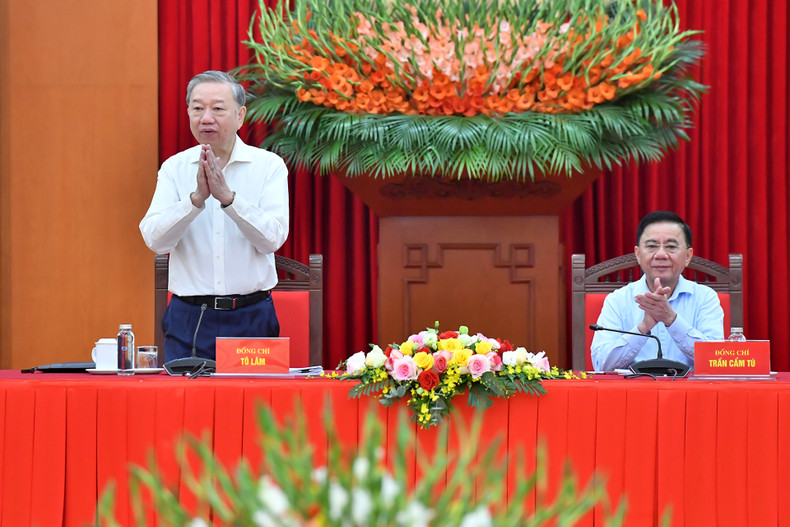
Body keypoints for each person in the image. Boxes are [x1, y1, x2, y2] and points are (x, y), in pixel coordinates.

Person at [140, 70, 289, 362]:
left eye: (218, 109)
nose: (206, 118)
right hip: (189, 318)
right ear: (188, 113)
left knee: (254, 393)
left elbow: (272, 240)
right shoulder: (174, 168)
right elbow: (155, 241)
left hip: (252, 316)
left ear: (240, 115)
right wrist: (195, 201)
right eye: (197, 108)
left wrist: (229, 200)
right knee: (184, 393)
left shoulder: (269, 166)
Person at [591, 211, 724, 372]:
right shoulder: (617, 300)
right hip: (633, 387)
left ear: (688, 256)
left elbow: (716, 361)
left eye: (671, 246)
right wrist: (642, 328)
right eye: (652, 246)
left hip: (689, 388)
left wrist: (671, 320)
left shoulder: (706, 298)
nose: (661, 255)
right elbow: (601, 365)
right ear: (638, 254)